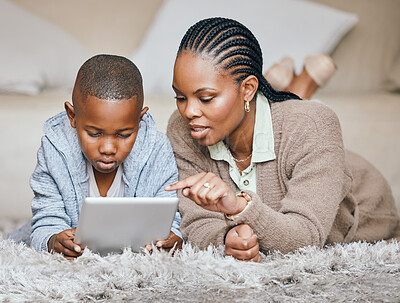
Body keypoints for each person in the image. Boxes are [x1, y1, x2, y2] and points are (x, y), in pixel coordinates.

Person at [165, 17, 400, 262]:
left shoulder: (316, 125)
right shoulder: (183, 129)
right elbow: (196, 224)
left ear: (247, 88)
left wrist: (238, 207)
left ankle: (300, 85)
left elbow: (305, 239)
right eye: (180, 97)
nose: (189, 111)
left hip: (363, 223)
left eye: (205, 98)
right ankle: (294, 86)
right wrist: (228, 239)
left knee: (300, 124)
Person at [8, 54, 183, 259]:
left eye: (124, 135)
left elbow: (168, 217)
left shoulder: (157, 150)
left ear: (139, 119)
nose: (108, 148)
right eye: (94, 133)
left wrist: (172, 238)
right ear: (72, 116)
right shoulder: (54, 150)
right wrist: (53, 240)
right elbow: (47, 218)